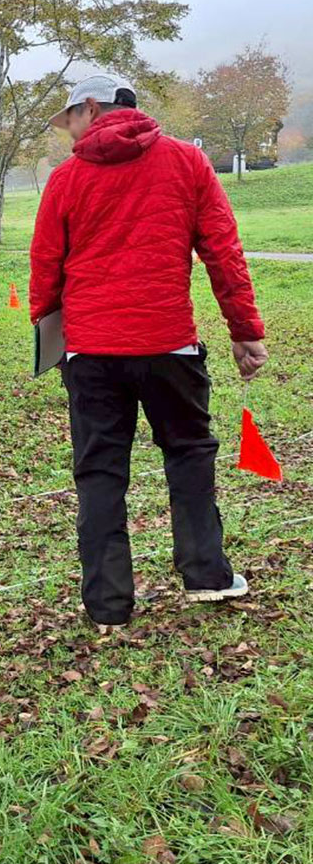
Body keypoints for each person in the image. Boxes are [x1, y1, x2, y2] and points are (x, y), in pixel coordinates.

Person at [30, 73, 268, 632]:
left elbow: (45, 268)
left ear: (92, 108)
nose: (69, 134)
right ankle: (206, 575)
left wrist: (50, 336)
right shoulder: (187, 163)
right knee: (188, 455)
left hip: (90, 352)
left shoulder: (67, 179)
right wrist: (244, 330)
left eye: (71, 120)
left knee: (100, 473)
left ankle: (109, 606)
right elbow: (223, 252)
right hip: (171, 346)